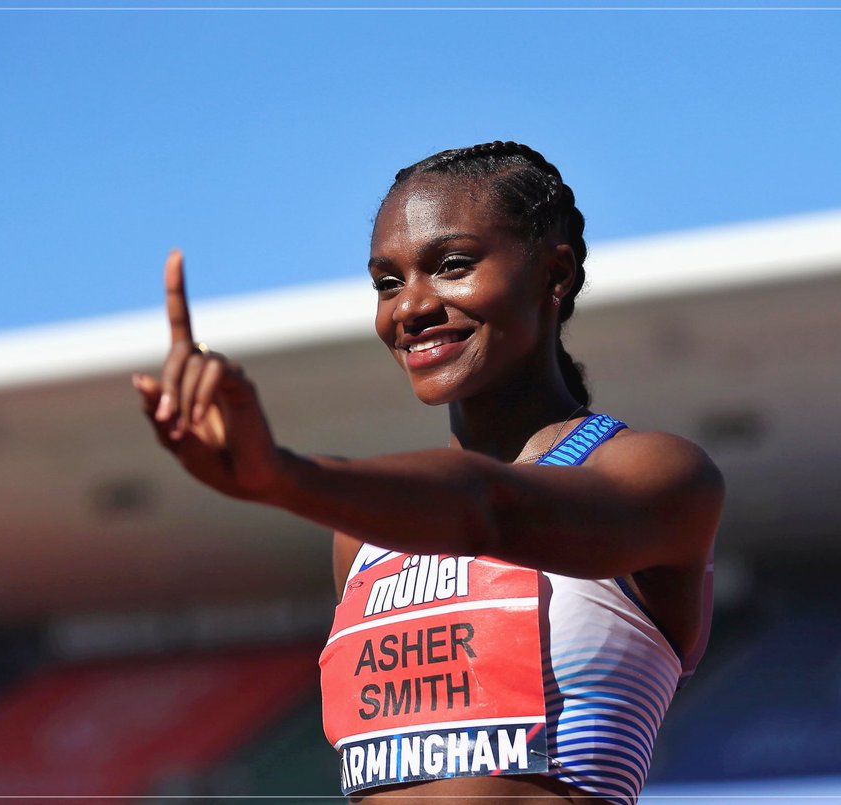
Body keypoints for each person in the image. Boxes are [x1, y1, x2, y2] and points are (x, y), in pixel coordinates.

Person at [132, 141, 724, 805]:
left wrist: (282, 476)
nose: (409, 307)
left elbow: (488, 511)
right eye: (387, 283)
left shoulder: (659, 475)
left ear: (555, 274)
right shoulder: (361, 541)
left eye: (452, 266)